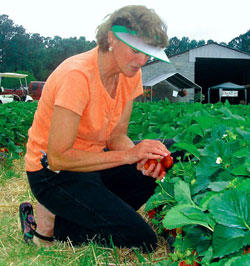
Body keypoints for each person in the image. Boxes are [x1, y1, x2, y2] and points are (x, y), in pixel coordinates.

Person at [19, 5, 172, 253]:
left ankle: (68, 215)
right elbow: (58, 158)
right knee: (143, 240)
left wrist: (142, 159)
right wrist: (129, 155)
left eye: (148, 53)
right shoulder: (77, 76)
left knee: (157, 162)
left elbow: (116, 136)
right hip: (53, 173)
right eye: (136, 50)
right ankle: (43, 225)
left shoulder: (130, 73)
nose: (142, 61)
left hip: (93, 165)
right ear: (112, 38)